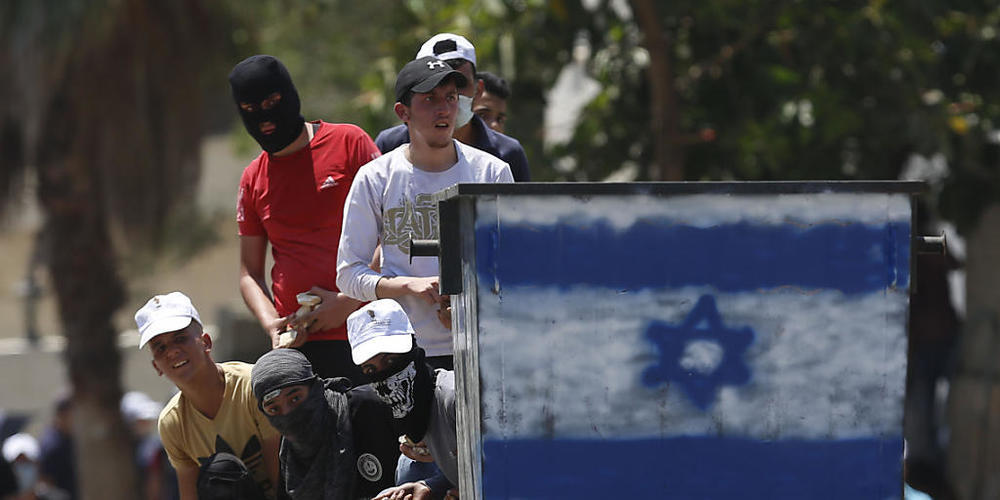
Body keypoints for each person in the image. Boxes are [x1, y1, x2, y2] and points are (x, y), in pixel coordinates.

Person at [337, 56, 514, 370]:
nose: (443, 109)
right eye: (429, 99)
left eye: (449, 98)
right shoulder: (375, 177)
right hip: (404, 351)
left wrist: (469, 303)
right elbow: (349, 274)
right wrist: (407, 285)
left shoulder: (492, 172)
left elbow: (512, 266)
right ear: (402, 112)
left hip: (482, 347)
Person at [232, 54, 381, 380]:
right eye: (250, 110)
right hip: (301, 350)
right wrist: (272, 323)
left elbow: (392, 236)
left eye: (272, 102)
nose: (265, 118)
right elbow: (249, 273)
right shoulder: (252, 179)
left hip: (371, 330)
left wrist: (347, 302)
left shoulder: (350, 143)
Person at [135, 292, 281, 500]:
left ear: (206, 342)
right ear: (156, 366)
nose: (172, 351)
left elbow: (282, 480)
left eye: (180, 338)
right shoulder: (172, 423)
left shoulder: (253, 385)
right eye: (160, 347)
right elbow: (190, 493)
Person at [374, 33, 530, 182]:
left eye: (459, 87)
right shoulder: (389, 145)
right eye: (431, 93)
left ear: (478, 90)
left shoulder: (506, 157)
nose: (445, 106)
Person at [250, 349, 399, 499]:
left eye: (295, 399)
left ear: (315, 387)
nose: (288, 414)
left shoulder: (367, 407)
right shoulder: (290, 451)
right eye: (274, 409)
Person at [346, 300, 457, 500]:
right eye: (371, 370)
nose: (385, 378)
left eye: (391, 361)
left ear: (413, 349)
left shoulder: (453, 399)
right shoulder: (421, 413)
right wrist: (429, 487)